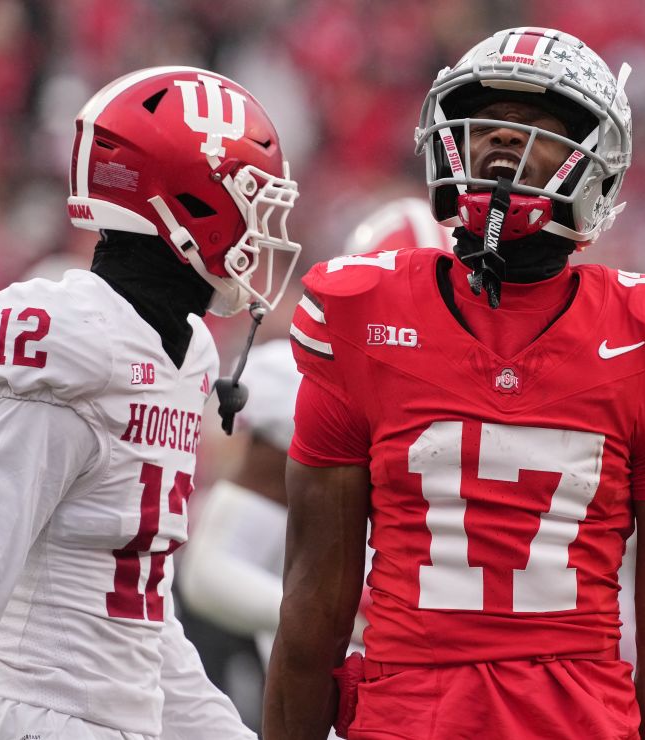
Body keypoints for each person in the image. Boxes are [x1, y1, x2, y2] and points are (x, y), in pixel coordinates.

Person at [263, 27, 645, 740]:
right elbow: (312, 607)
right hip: (406, 719)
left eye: (537, 128)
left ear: (595, 162)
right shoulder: (360, 313)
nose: (501, 144)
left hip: (577, 722)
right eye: (487, 125)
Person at [0, 66, 301, 739]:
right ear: (191, 204)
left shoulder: (184, 352)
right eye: (249, 198)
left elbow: (138, 621)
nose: (263, 230)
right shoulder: (68, 336)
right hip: (35, 714)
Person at [178, 197, 454, 667]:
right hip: (330, 693)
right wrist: (341, 619)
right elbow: (208, 573)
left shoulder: (526, 397)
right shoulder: (301, 387)